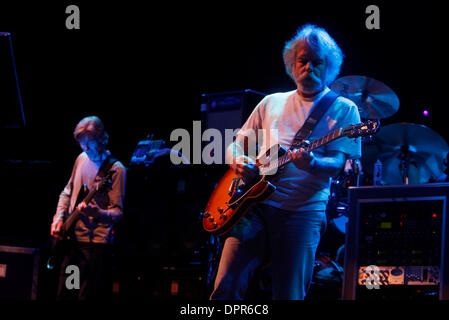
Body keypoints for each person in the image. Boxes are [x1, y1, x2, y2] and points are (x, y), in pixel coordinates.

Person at [209, 24, 361, 300]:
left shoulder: (344, 109)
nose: (309, 68)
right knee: (224, 289)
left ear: (329, 67)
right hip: (251, 206)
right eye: (302, 61)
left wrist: (313, 164)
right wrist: (239, 161)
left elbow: (338, 163)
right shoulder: (271, 102)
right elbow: (233, 146)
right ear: (292, 64)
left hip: (301, 211)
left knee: (289, 294)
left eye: (317, 62)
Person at [50, 116, 126, 299]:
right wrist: (58, 218)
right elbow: (67, 193)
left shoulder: (117, 170)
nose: (85, 148)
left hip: (96, 248)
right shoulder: (81, 159)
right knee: (66, 293)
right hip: (72, 243)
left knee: (86, 296)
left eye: (89, 143)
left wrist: (98, 214)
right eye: (82, 144)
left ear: (101, 139)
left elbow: (118, 212)